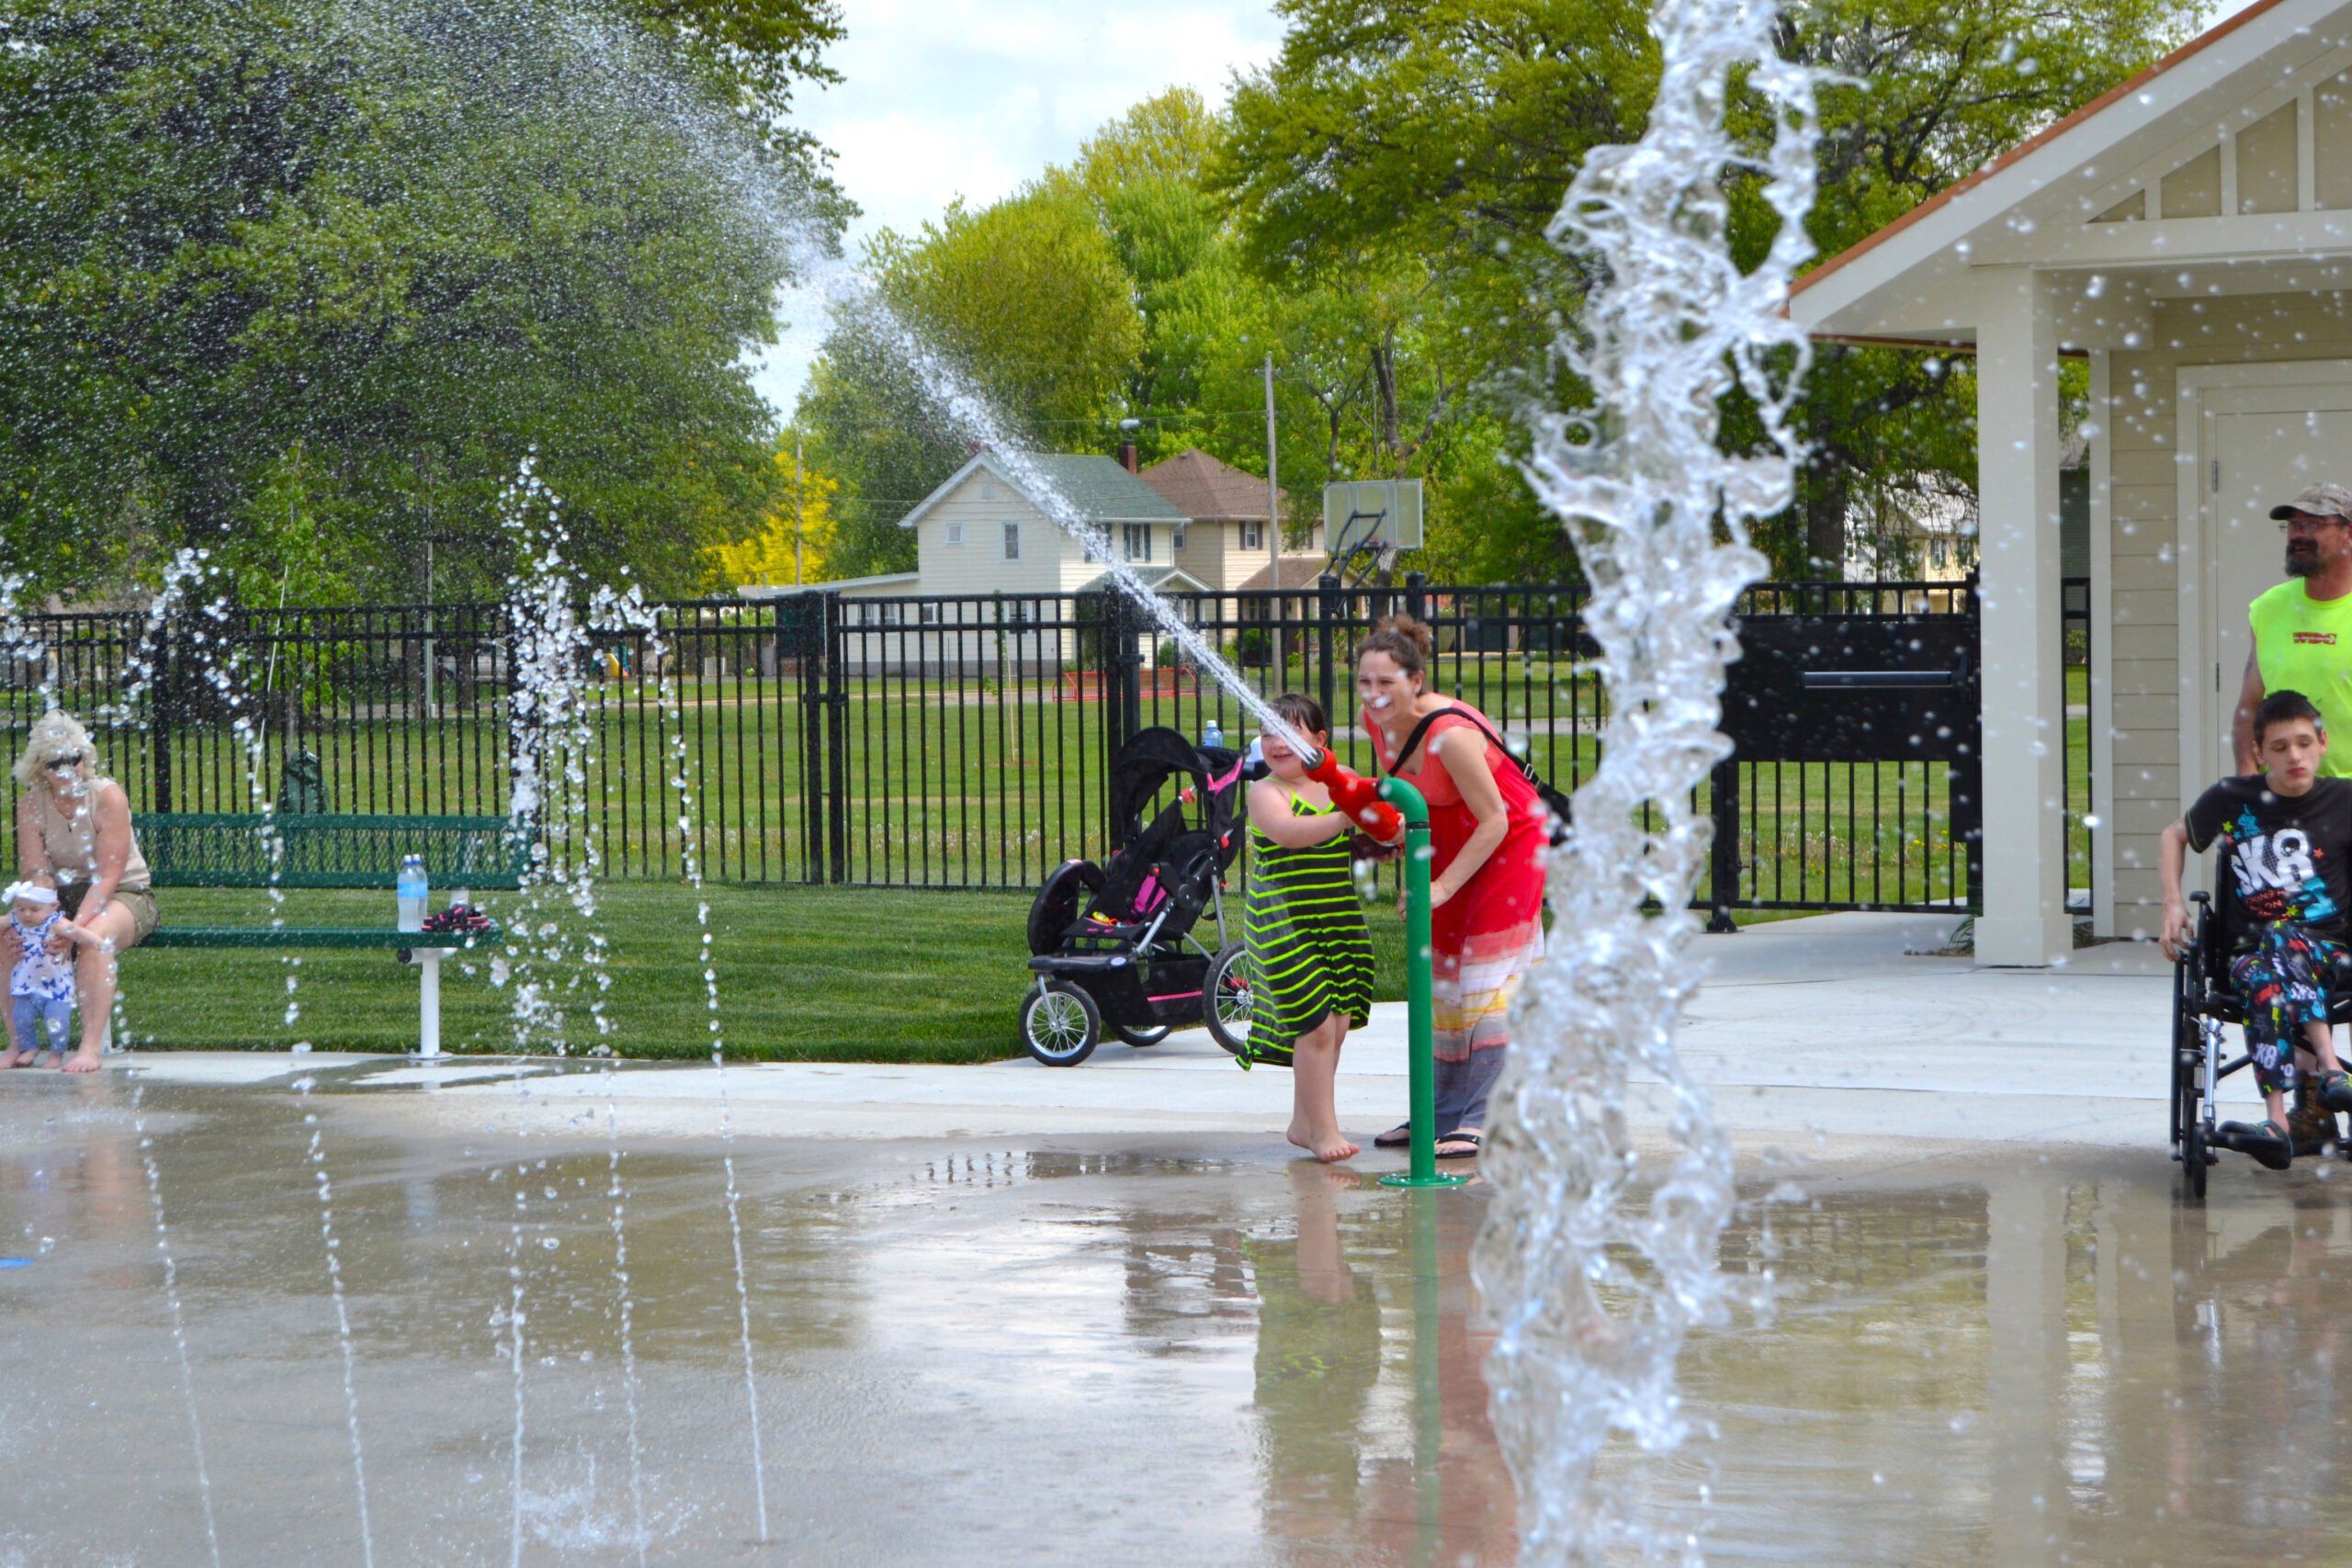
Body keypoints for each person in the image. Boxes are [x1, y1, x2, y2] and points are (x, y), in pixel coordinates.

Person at [1356, 615, 1549, 1162]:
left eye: (1386, 683)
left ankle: (1491, 1116)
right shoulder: (1379, 723)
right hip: (1445, 833)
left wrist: (1438, 887)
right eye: (1365, 683)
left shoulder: (1450, 735)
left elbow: (1497, 821)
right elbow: (1401, 798)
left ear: (1415, 681)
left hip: (1507, 838)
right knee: (1441, 976)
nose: (1373, 695)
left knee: (1486, 979)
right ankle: (1440, 1112)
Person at [2160, 689, 2352, 1168]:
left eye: (2305, 743)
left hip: (2331, 957)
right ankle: (2280, 1123)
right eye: (2281, 746)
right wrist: (2173, 906)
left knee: (2281, 934)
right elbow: (2173, 835)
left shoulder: (2344, 799)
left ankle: (2324, 1069)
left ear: (2323, 742)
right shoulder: (2232, 797)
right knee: (2267, 970)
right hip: (2251, 958)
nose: (2295, 756)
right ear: (2259, 752)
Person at [1242, 694, 1379, 1163]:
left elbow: (1377, 833)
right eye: (1267, 734)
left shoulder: (1339, 786)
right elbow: (1290, 833)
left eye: (1290, 731)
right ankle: (1325, 1130)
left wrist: (1389, 832)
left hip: (1336, 916)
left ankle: (1304, 1123)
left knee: (1336, 1025)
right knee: (1316, 1025)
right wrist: (1349, 815)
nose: (1276, 743)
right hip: (1282, 922)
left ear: (1320, 741)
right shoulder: (1265, 792)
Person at [8, 710, 159, 1072]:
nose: (68, 768)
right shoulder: (31, 804)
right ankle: (19, 1042)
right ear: (40, 768)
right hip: (60, 899)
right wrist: (42, 921)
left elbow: (108, 877)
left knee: (94, 937)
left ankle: (89, 1047)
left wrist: (72, 929)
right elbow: (36, 876)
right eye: (56, 761)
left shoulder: (107, 796)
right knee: (10, 935)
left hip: (125, 895)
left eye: (75, 758)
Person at [4, 882, 96, 1068]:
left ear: (53, 905)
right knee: (21, 1019)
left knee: (57, 1023)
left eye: (35, 909)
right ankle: (29, 1047)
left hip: (56, 988)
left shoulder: (55, 922)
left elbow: (77, 932)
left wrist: (100, 942)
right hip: (27, 986)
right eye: (21, 908)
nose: (27, 914)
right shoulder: (15, 919)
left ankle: (56, 1053)